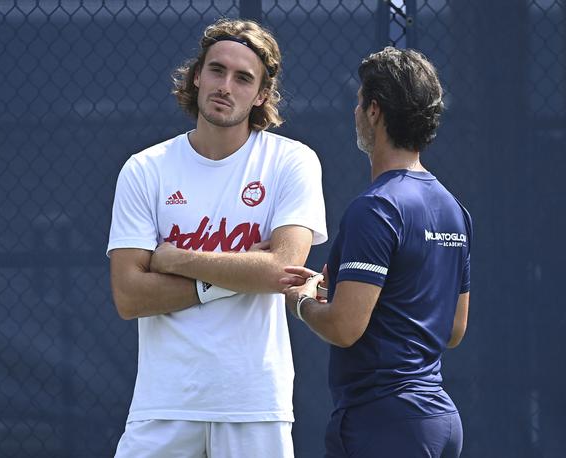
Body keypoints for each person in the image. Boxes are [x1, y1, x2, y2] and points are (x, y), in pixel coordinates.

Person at [107, 18, 327, 457]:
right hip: (164, 403)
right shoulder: (145, 168)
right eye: (216, 70)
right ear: (196, 75)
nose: (226, 86)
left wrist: (175, 259)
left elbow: (281, 269)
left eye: (243, 78)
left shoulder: (291, 162)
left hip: (253, 403)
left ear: (262, 94)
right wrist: (242, 272)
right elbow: (130, 296)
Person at [282, 47, 472, 458]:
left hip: (384, 425)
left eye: (358, 100)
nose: (355, 110)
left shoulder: (376, 208)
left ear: (374, 111)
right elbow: (453, 330)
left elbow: (344, 327)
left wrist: (300, 302)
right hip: (439, 424)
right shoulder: (454, 209)